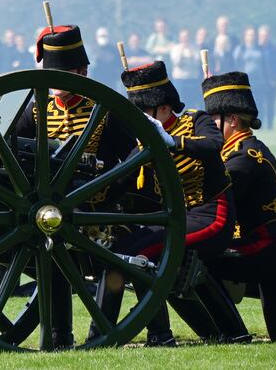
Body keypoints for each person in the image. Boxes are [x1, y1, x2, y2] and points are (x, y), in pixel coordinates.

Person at [104, 61, 246, 346]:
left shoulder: (196, 121)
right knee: (122, 252)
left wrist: (171, 141)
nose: (141, 118)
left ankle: (159, 333)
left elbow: (212, 145)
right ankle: (105, 330)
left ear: (165, 108)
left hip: (212, 215)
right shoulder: (143, 143)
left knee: (142, 252)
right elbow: (118, 184)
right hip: (177, 218)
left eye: (145, 111)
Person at [14, 24, 136, 349]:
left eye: (63, 73)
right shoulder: (36, 109)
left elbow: (135, 157)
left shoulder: (104, 108)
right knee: (51, 259)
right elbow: (14, 152)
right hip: (51, 209)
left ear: (81, 72)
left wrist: (108, 191)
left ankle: (102, 336)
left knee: (114, 263)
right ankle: (57, 338)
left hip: (103, 209)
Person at [202, 72, 276, 340]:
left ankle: (232, 334)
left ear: (232, 120)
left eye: (212, 121)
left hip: (274, 245)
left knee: (199, 262)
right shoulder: (237, 150)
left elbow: (218, 196)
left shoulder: (245, 154)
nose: (207, 128)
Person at [169, 29, 202, 109]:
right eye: (183, 37)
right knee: (180, 102)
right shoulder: (176, 48)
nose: (185, 39)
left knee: (192, 102)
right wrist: (182, 51)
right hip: (180, 80)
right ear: (180, 38)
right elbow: (176, 62)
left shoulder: (195, 48)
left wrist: (190, 52)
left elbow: (197, 63)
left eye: (187, 37)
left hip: (192, 80)